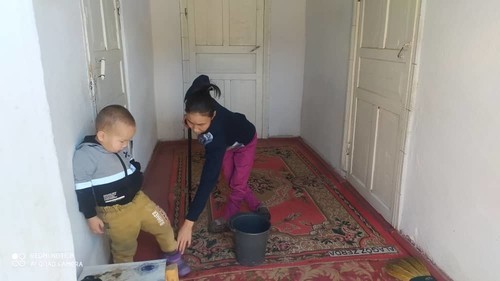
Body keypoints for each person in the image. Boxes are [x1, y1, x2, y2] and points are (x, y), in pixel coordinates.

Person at [73, 105, 190, 276]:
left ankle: (172, 255)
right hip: (116, 213)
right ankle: (125, 274)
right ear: (102, 136)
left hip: (139, 200)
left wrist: (136, 171)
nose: (125, 145)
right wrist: (90, 215)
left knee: (163, 224)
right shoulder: (86, 155)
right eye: (122, 141)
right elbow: (82, 189)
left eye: (128, 141)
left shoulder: (117, 146)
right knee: (124, 248)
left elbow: (130, 162)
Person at [177, 75, 271, 253]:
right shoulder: (193, 96)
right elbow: (202, 79)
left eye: (201, 124)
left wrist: (189, 223)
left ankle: (229, 218)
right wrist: (189, 120)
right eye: (190, 122)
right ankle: (257, 205)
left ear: (212, 115)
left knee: (237, 183)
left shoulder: (216, 138)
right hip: (229, 144)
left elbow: (208, 180)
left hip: (245, 140)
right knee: (230, 178)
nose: (195, 129)